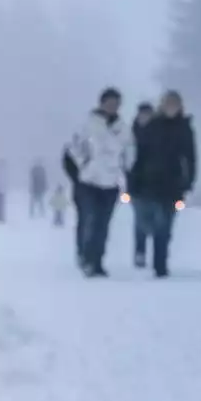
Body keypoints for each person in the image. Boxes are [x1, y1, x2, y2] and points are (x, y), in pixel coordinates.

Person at [66, 87, 136, 278]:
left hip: (111, 184)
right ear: (102, 103)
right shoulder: (88, 124)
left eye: (116, 103)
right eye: (109, 102)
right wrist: (80, 172)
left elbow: (129, 154)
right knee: (89, 219)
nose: (112, 106)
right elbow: (72, 150)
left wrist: (126, 174)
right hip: (89, 182)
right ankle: (86, 257)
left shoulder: (123, 129)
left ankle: (98, 261)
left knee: (103, 225)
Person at [129, 92, 196, 277]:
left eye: (175, 104)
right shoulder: (152, 126)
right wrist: (133, 178)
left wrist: (188, 180)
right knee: (147, 220)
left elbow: (190, 158)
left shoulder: (184, 128)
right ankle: (143, 249)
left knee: (165, 225)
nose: (171, 108)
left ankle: (160, 264)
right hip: (149, 181)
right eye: (168, 104)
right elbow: (140, 153)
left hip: (172, 184)